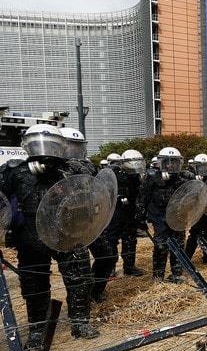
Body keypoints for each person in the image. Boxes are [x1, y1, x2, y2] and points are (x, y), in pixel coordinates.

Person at [0, 125, 99, 342]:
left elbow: (92, 177)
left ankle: (80, 322)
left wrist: (61, 166)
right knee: (34, 284)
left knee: (80, 278)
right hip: (30, 234)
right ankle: (38, 330)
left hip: (68, 232)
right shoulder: (14, 170)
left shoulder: (73, 168)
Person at [59, 128, 118, 303]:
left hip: (91, 221)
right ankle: (79, 303)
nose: (74, 152)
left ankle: (95, 291)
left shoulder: (90, 167)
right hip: (69, 226)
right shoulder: (55, 169)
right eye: (70, 147)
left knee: (108, 256)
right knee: (76, 269)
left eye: (77, 147)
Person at [137, 147, 193, 283]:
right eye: (166, 162)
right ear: (160, 162)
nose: (170, 165)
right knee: (161, 247)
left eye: (173, 162)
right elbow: (142, 198)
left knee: (179, 246)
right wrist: (140, 217)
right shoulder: (151, 178)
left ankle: (177, 274)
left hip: (178, 217)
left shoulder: (183, 178)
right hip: (159, 217)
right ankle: (158, 277)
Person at [104, 149, 146, 278]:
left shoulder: (135, 175)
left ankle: (129, 267)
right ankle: (109, 267)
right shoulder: (112, 173)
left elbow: (138, 193)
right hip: (114, 213)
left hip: (130, 212)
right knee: (111, 240)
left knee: (130, 239)